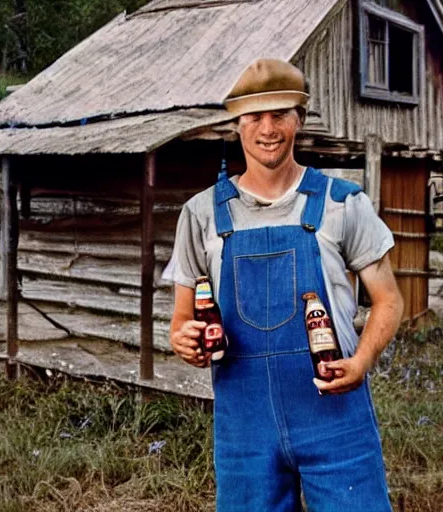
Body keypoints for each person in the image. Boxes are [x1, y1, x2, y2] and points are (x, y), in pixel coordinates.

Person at [170, 58, 404, 512]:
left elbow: (388, 299)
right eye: (254, 116)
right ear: (236, 125)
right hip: (245, 427)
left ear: (299, 119)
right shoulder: (200, 215)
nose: (267, 128)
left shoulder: (342, 203)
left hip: (335, 413)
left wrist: (362, 361)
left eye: (280, 114)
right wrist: (186, 340)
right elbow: (182, 319)